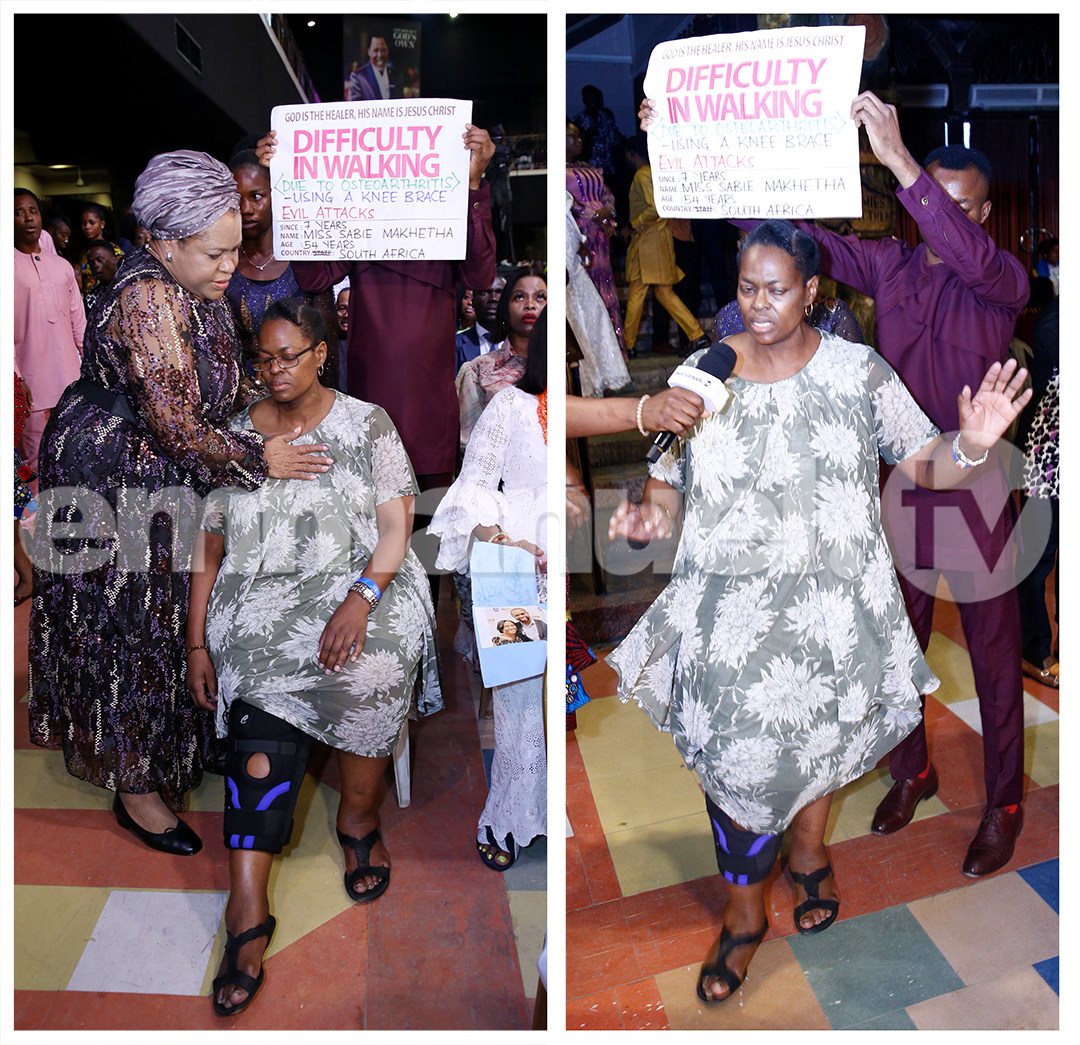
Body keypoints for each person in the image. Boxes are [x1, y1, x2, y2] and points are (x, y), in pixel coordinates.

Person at [608, 219, 1030, 1004]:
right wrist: (649, 516)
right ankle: (743, 914)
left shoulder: (857, 371)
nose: (758, 305)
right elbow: (665, 477)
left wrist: (972, 443)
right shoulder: (705, 373)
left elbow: (925, 464)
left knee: (815, 739)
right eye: (746, 288)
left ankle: (808, 855)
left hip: (833, 609)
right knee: (738, 759)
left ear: (812, 291)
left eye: (776, 289)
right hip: (729, 614)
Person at [642, 89, 1033, 877]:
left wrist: (899, 160)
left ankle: (1005, 802)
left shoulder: (1002, 281)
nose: (941, 219)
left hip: (976, 482)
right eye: (932, 202)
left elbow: (971, 253)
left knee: (995, 654)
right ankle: (913, 769)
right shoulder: (889, 265)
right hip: (902, 482)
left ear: (983, 215)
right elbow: (791, 242)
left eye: (960, 208)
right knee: (895, 640)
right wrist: (685, 152)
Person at [28, 151, 333, 857]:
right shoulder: (146, 298)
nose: (231, 265)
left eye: (234, 249)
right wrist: (263, 456)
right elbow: (178, 426)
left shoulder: (194, 283)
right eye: (215, 253)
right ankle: (135, 785)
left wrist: (280, 404)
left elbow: (223, 381)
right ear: (165, 241)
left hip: (165, 469)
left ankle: (177, 743)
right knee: (130, 627)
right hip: (113, 475)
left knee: (175, 617)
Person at [187, 298, 440, 1016]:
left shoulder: (367, 424)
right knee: (257, 686)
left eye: (288, 356)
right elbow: (208, 547)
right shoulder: (236, 437)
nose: (273, 370)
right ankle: (246, 906)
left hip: (363, 582)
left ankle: (358, 819)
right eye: (262, 358)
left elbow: (395, 528)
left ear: (321, 353)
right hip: (260, 597)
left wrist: (359, 599)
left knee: (370, 666)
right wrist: (197, 640)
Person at [259, 124, 496, 496]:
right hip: (370, 402)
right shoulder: (362, 220)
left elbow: (480, 276)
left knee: (428, 520)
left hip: (430, 408)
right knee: (369, 515)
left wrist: (473, 184)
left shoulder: (446, 218)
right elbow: (315, 275)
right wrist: (289, 184)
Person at [429, 309, 548, 871]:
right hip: (511, 567)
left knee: (556, 700)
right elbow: (471, 488)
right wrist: (504, 540)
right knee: (518, 700)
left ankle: (541, 807)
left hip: (560, 565)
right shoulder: (510, 406)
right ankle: (504, 817)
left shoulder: (575, 409)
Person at [224, 150, 340, 387]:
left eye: (256, 196)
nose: (245, 208)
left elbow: (327, 349)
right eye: (236, 199)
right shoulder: (222, 261)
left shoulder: (306, 263)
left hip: (300, 393)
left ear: (277, 195)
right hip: (239, 394)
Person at [14, 188, 85, 495]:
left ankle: (72, 518)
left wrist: (91, 370)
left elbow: (78, 322)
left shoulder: (62, 266)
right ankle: (33, 522)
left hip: (69, 378)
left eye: (33, 211)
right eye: (19, 212)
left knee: (74, 454)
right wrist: (17, 378)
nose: (28, 218)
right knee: (33, 461)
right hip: (30, 382)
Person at [622, 134, 709, 357]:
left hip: (648, 242)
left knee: (638, 293)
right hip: (659, 239)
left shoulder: (642, 175)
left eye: (626, 154)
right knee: (663, 293)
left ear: (632, 154)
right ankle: (697, 335)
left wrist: (635, 225)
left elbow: (654, 208)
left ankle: (627, 345)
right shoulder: (655, 173)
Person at [456, 266, 546, 450]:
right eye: (519, 297)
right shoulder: (477, 370)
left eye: (540, 297)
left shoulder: (565, 365)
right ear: (505, 309)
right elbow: (469, 446)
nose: (530, 305)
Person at [567, 121, 625, 355]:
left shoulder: (590, 167)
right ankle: (594, 351)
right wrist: (594, 215)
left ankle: (614, 349)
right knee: (587, 287)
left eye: (579, 136)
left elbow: (607, 193)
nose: (578, 140)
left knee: (606, 284)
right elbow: (566, 202)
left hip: (601, 234)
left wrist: (608, 212)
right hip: (579, 233)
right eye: (571, 136)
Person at [455, 274, 505, 372]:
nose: (493, 298)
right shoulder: (455, 344)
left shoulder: (520, 344)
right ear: (473, 302)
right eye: (485, 292)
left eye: (500, 293)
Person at [571, 85, 622, 178]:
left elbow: (614, 141)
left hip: (607, 168)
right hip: (588, 170)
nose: (593, 101)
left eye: (594, 98)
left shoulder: (606, 117)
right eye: (589, 98)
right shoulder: (578, 120)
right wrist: (586, 136)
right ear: (584, 100)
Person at [77, 203, 124, 295]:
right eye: (83, 223)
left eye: (92, 223)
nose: (87, 227)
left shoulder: (114, 250)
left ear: (102, 224)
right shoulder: (83, 255)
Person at [347, 34, 398, 101]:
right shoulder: (358, 78)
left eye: (383, 50)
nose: (380, 55)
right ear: (369, 52)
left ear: (387, 51)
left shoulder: (395, 74)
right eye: (376, 50)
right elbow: (354, 106)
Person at [83, 239, 120, 315]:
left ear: (114, 260)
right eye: (91, 263)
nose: (95, 265)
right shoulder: (91, 299)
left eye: (99, 260)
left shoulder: (130, 285)